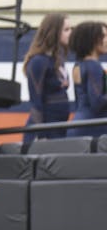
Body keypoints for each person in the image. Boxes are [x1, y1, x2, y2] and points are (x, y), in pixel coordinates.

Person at [22, 12, 72, 145]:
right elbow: (36, 100)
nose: (70, 33)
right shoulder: (38, 61)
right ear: (54, 32)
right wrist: (41, 133)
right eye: (66, 30)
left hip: (59, 125)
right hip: (45, 128)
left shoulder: (58, 59)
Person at [65, 20, 107, 138]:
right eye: (103, 36)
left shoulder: (78, 64)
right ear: (91, 40)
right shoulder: (93, 66)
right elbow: (97, 102)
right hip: (92, 128)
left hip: (80, 125)